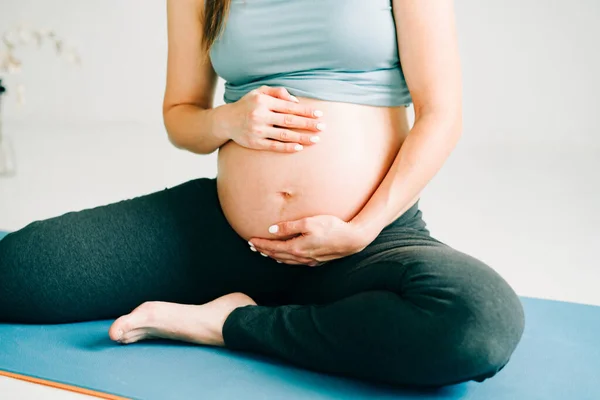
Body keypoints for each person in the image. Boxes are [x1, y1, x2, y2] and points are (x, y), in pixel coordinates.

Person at [0, 0, 525, 388]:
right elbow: (181, 118)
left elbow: (442, 115)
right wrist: (230, 119)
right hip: (226, 237)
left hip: (365, 241)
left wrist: (361, 228)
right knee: (14, 273)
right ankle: (271, 310)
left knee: (478, 323)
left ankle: (227, 323)